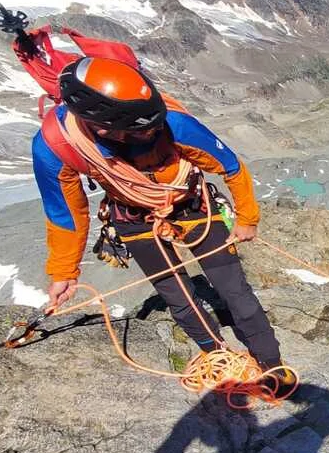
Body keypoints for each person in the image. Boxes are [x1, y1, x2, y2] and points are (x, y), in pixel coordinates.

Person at [30, 56, 289, 388]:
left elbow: (230, 166)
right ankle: (218, 356)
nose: (153, 132)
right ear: (101, 125)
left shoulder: (174, 124)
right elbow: (65, 213)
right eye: (142, 130)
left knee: (234, 289)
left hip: (192, 205)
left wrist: (248, 219)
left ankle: (271, 363)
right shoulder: (55, 146)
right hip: (134, 217)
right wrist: (64, 273)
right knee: (179, 297)